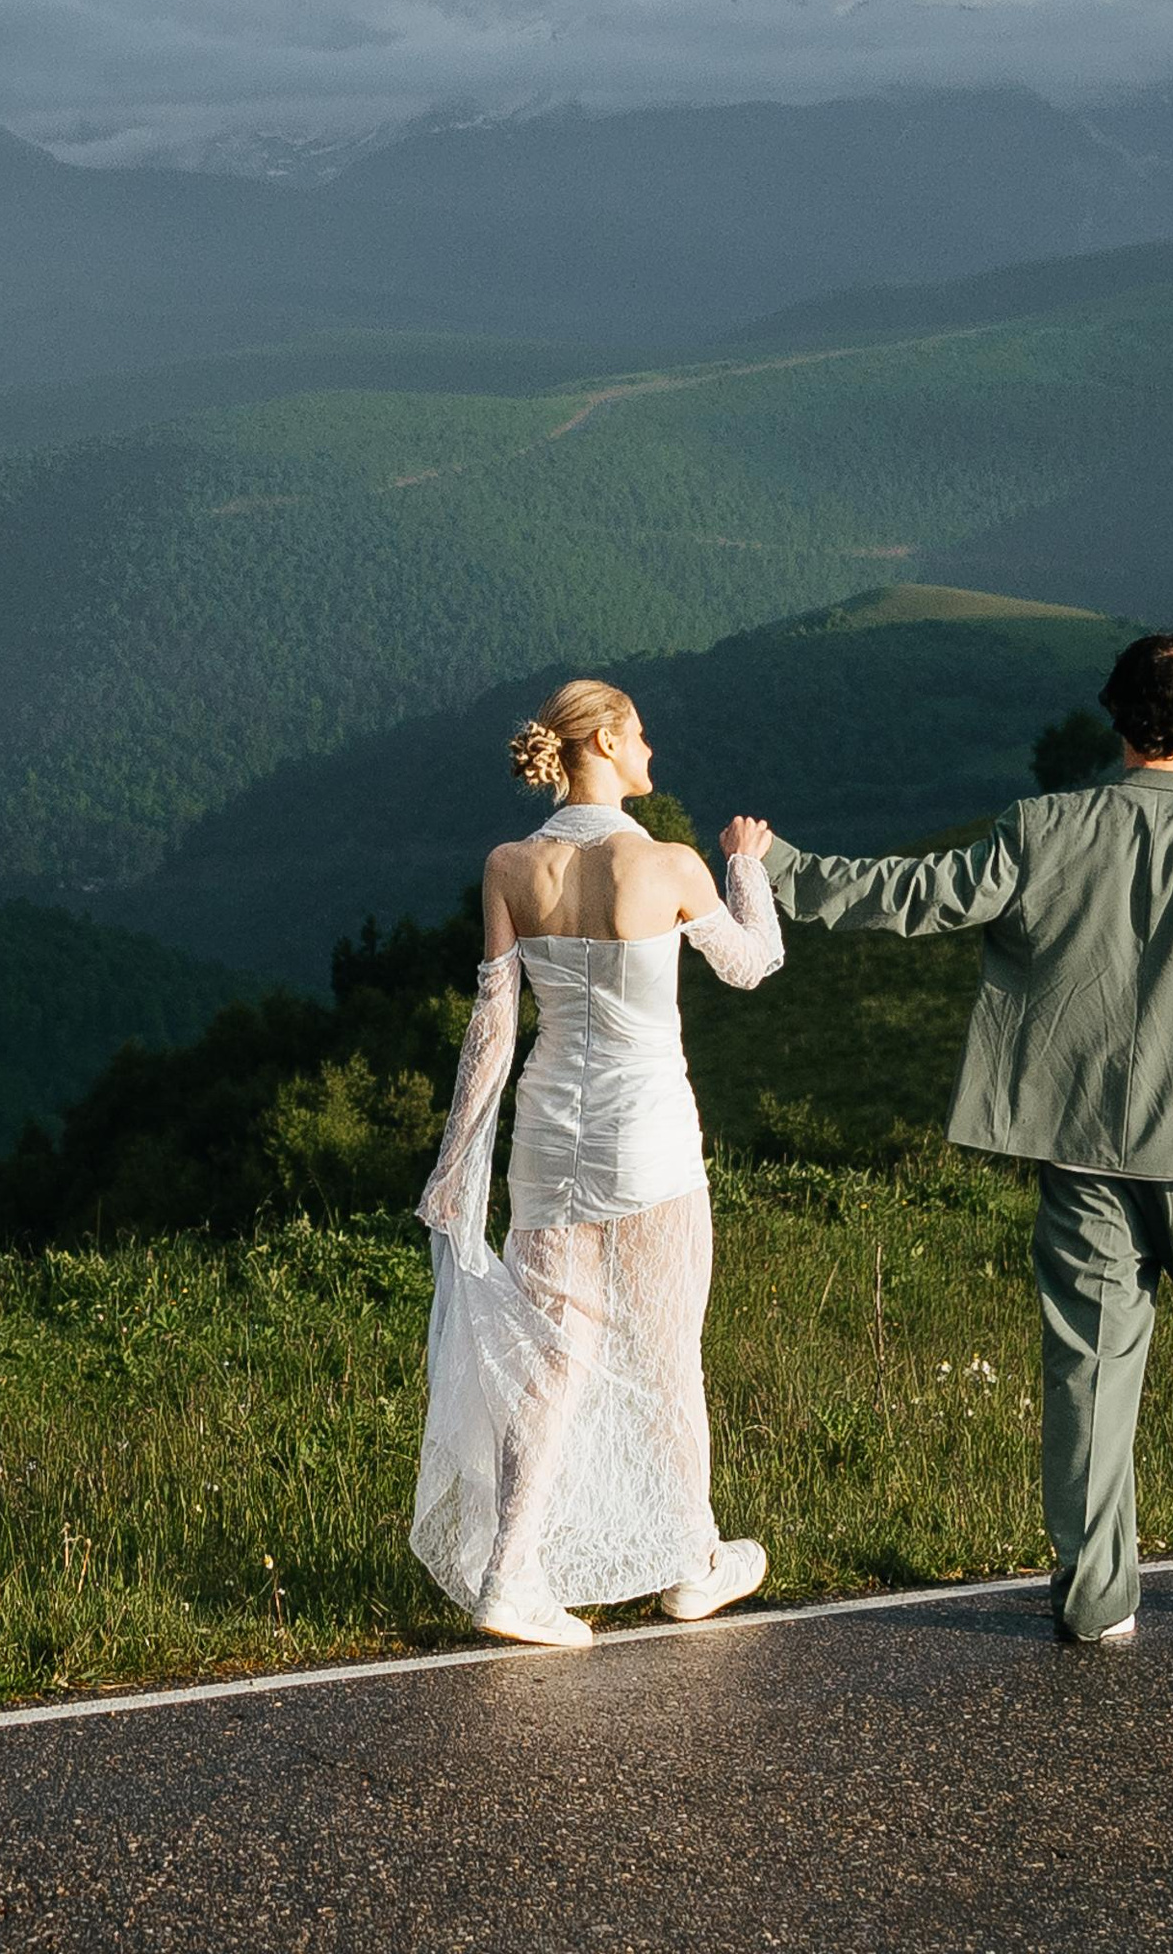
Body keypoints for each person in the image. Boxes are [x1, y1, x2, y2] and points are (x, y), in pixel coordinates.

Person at [759, 630, 1173, 1647]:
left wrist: (780, 867)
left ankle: (1096, 1599)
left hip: (1082, 1146)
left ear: (1116, 715)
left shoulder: (1043, 826)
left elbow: (920, 896)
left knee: (1088, 1370)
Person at [412, 677, 785, 1650]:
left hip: (545, 1142)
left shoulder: (507, 863)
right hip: (650, 1140)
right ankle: (697, 1559)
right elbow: (751, 962)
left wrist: (456, 1162)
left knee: (547, 1363)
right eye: (644, 733)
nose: (652, 748)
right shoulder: (666, 863)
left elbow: (493, 1025)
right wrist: (746, 864)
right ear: (609, 740)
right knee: (667, 1355)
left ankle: (509, 1574)